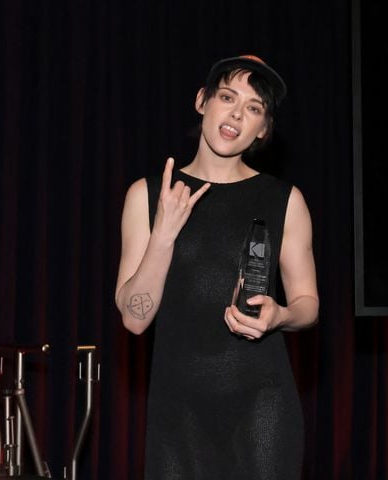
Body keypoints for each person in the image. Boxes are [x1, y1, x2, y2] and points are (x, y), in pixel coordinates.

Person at [115, 55, 319, 479]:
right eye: (228, 97)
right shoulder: (148, 195)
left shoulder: (285, 199)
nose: (236, 114)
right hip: (178, 408)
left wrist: (280, 314)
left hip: (263, 405)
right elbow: (135, 319)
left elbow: (307, 304)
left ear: (262, 129)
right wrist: (163, 235)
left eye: (254, 108)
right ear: (202, 101)